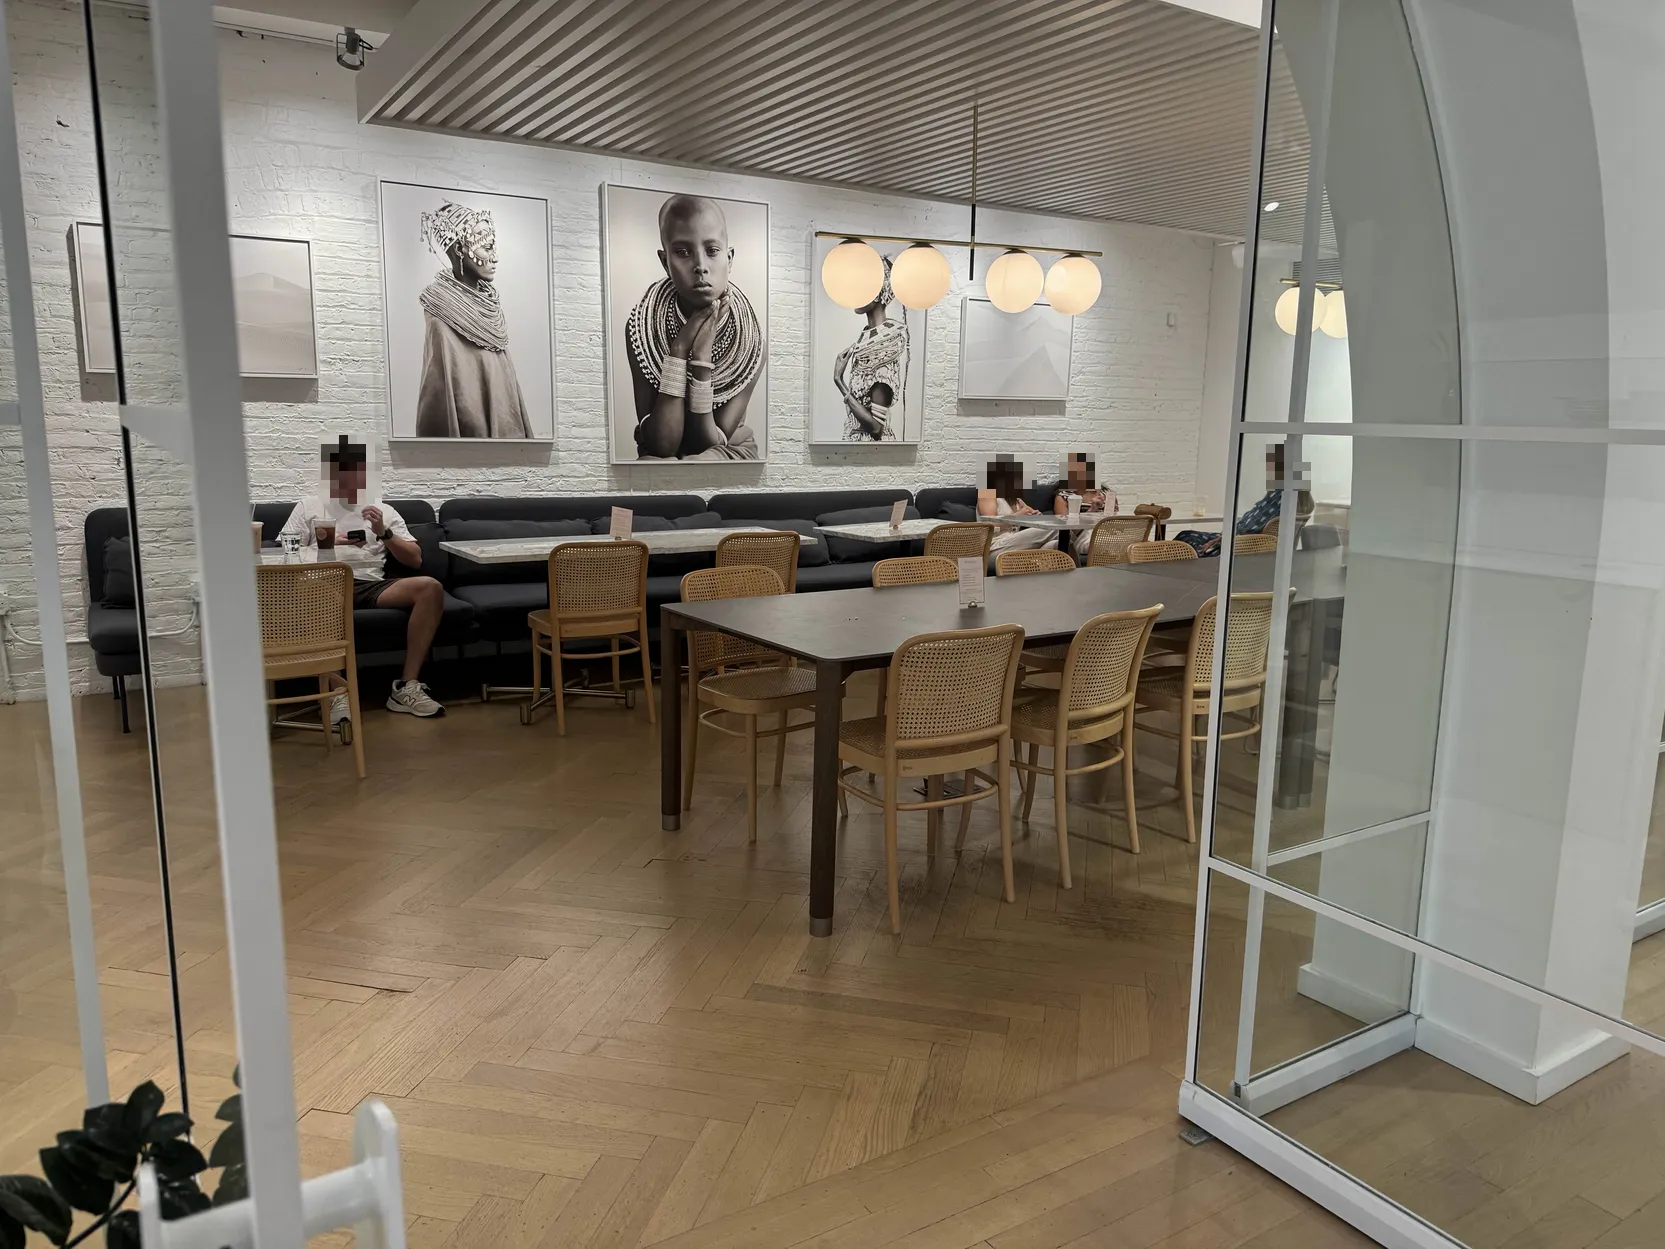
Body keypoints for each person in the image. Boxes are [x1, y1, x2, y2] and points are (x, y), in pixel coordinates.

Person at [278, 438, 445, 720]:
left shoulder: (383, 511)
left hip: (370, 585)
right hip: (323, 583)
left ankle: (406, 687)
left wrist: (384, 532)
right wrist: (331, 546)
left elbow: (415, 559)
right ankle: (335, 691)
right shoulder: (308, 506)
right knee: (313, 589)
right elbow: (284, 551)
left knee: (430, 587)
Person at [627, 194, 765, 460]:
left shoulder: (750, 340)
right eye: (682, 252)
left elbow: (705, 445)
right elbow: (663, 445)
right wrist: (678, 350)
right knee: (654, 467)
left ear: (730, 257)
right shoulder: (641, 327)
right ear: (665, 262)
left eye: (712, 251)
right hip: (661, 454)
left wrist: (701, 359)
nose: (701, 266)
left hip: (724, 451)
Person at [414, 201, 533, 439]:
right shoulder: (441, 313)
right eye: (486, 248)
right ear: (459, 250)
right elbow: (443, 395)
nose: (495, 257)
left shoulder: (491, 311)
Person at [833, 256, 908, 441]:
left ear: (876, 294)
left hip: (872, 448)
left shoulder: (885, 346)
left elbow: (876, 429)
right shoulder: (869, 339)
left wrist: (838, 381)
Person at [978, 455, 1053, 561]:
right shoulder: (987, 492)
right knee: (1053, 530)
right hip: (995, 545)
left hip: (1015, 541)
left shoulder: (1015, 498)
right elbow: (990, 524)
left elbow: (1030, 513)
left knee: (1058, 544)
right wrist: (1018, 516)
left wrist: (1035, 516)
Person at [1050, 451, 1111, 559]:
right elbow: (1067, 531)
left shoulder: (1103, 493)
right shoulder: (1063, 496)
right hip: (1082, 536)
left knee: (1138, 541)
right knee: (1111, 543)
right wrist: (1092, 509)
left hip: (1107, 531)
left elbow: (1112, 519)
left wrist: (1113, 512)